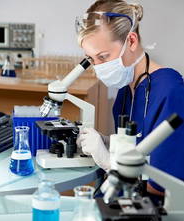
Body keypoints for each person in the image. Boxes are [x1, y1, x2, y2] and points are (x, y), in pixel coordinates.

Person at [76, 0, 184, 197]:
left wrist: (109, 162)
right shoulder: (126, 90)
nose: (98, 67)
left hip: (152, 211)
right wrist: (108, 142)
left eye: (103, 57)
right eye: (92, 59)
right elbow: (138, 149)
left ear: (132, 41)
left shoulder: (169, 90)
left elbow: (167, 185)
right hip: (122, 197)